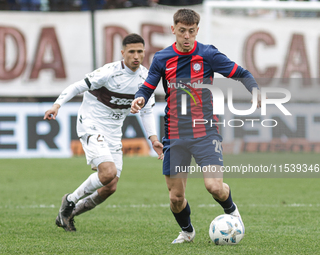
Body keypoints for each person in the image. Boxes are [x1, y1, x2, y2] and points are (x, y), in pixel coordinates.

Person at [131, 9, 261, 243]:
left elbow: (240, 73)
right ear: (173, 30)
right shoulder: (162, 58)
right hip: (175, 134)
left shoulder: (208, 54)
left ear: (197, 31)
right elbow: (147, 87)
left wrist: (254, 89)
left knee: (214, 187)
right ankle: (188, 231)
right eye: (182, 31)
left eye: (191, 31)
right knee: (175, 198)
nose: (187, 36)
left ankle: (232, 213)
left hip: (205, 131)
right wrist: (139, 98)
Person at [44, 33, 163, 232]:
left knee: (110, 186)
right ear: (123, 52)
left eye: (140, 52)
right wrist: (57, 105)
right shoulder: (109, 72)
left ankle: (68, 214)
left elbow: (147, 110)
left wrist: (153, 139)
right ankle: (70, 201)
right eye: (131, 51)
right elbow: (77, 86)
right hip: (91, 122)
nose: (136, 56)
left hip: (114, 131)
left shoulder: (146, 78)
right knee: (108, 172)